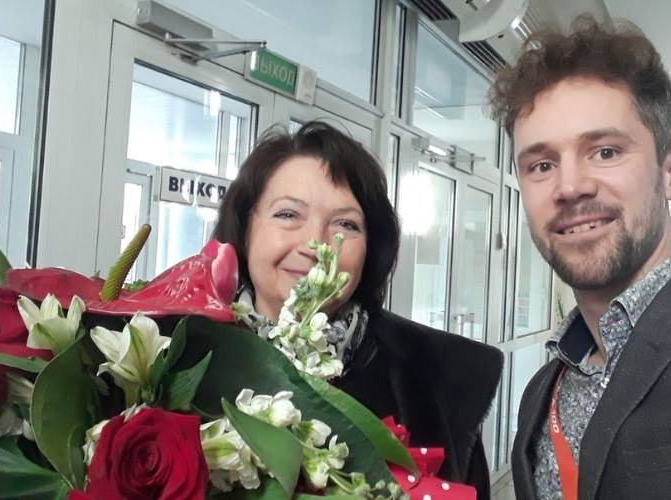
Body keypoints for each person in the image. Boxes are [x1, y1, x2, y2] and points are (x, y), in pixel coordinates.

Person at [213, 120, 503, 498]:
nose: (315, 245)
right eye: (288, 214)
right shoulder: (181, 354)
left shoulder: (439, 376)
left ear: (371, 247)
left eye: (345, 224)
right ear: (245, 228)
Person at [488, 15, 671, 500]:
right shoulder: (542, 393)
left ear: (667, 172)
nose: (570, 187)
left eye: (605, 152)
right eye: (541, 165)